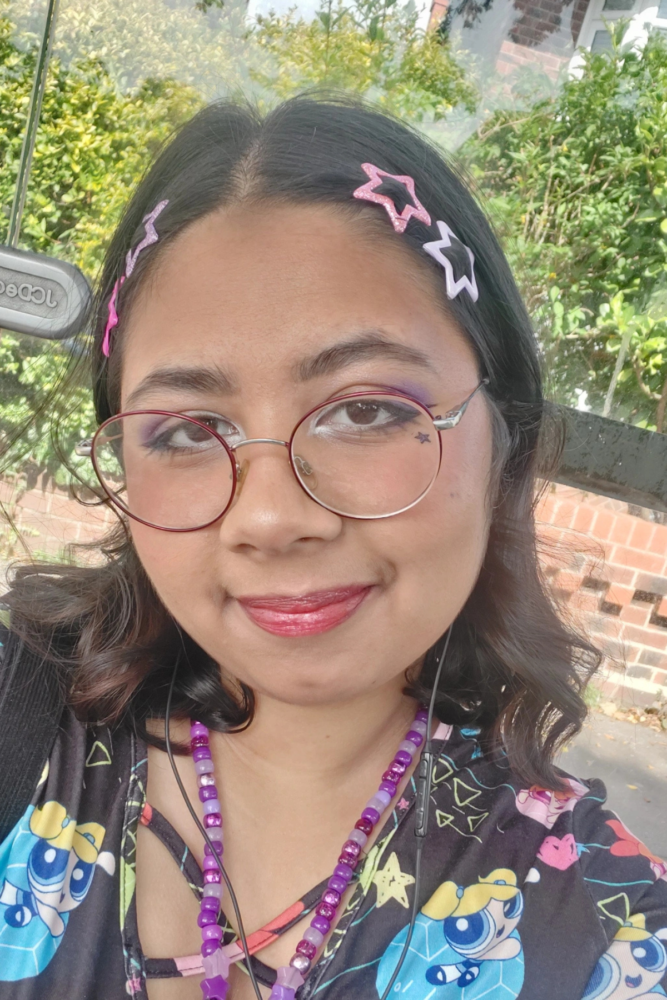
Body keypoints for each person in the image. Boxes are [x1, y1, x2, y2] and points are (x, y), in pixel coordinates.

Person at [0, 95, 664, 1000]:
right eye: (187, 430)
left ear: (502, 434)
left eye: (365, 411)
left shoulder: (605, 934)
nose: (270, 519)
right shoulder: (18, 719)